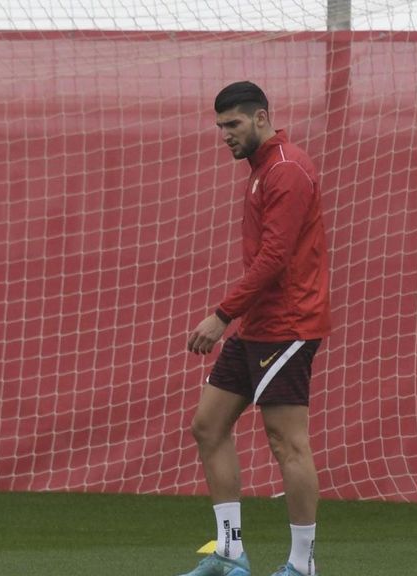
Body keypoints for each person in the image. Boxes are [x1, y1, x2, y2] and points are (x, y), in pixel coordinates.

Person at [179, 81, 331, 576]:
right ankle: (230, 552)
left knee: (287, 441)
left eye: (233, 124)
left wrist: (221, 314)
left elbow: (274, 258)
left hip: (287, 325)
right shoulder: (263, 169)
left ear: (261, 117)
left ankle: (303, 565)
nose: (224, 134)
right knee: (209, 425)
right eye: (220, 126)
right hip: (258, 324)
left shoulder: (285, 170)